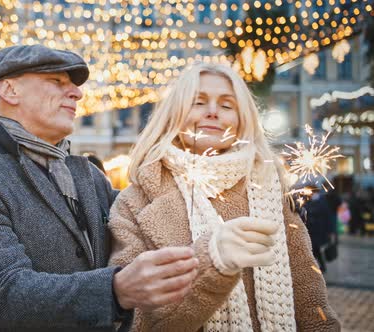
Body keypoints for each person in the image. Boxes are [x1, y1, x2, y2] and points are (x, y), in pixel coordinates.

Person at [0, 44, 199, 331]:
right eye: (56, 82)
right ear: (10, 91)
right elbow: (6, 293)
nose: (77, 93)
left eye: (73, 86)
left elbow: (143, 221)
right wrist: (115, 290)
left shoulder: (88, 174)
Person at [108, 62, 340, 331]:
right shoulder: (135, 202)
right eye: (199, 102)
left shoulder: (269, 189)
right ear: (174, 114)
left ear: (243, 120)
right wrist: (212, 261)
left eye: (227, 106)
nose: (213, 112)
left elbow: (310, 300)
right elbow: (137, 321)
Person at [303, 189, 337, 273]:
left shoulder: (323, 202)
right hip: (311, 229)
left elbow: (328, 217)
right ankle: (317, 266)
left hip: (319, 230)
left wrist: (330, 231)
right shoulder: (308, 201)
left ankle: (316, 266)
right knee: (314, 249)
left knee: (315, 249)